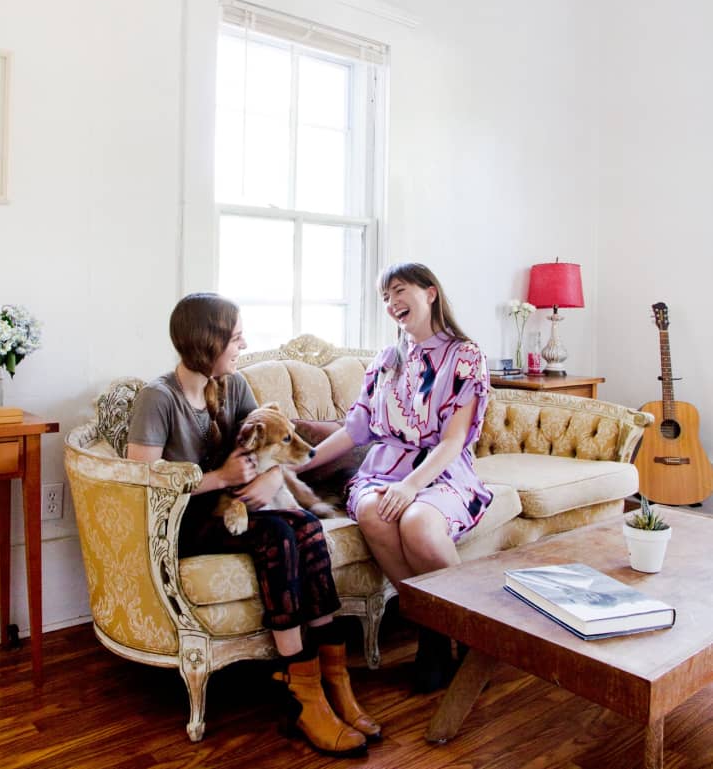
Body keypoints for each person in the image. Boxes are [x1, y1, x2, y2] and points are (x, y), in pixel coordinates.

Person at [126, 293, 379, 755]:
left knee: (305, 525)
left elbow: (265, 444)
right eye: (235, 338)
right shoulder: (157, 398)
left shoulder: (234, 385)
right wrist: (220, 478)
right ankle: (302, 694)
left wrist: (268, 477)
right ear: (207, 342)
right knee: (279, 533)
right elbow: (140, 480)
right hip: (183, 525)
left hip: (237, 509)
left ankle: (333, 678)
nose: (243, 345)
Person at [299, 262, 493, 692]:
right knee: (372, 510)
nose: (391, 303)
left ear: (430, 293)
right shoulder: (386, 360)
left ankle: (470, 631)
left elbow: (452, 441)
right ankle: (433, 630)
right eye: (384, 297)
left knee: (419, 523)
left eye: (399, 291)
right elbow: (354, 430)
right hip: (383, 468)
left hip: (440, 470)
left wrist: (411, 487)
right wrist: (299, 464)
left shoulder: (465, 355)